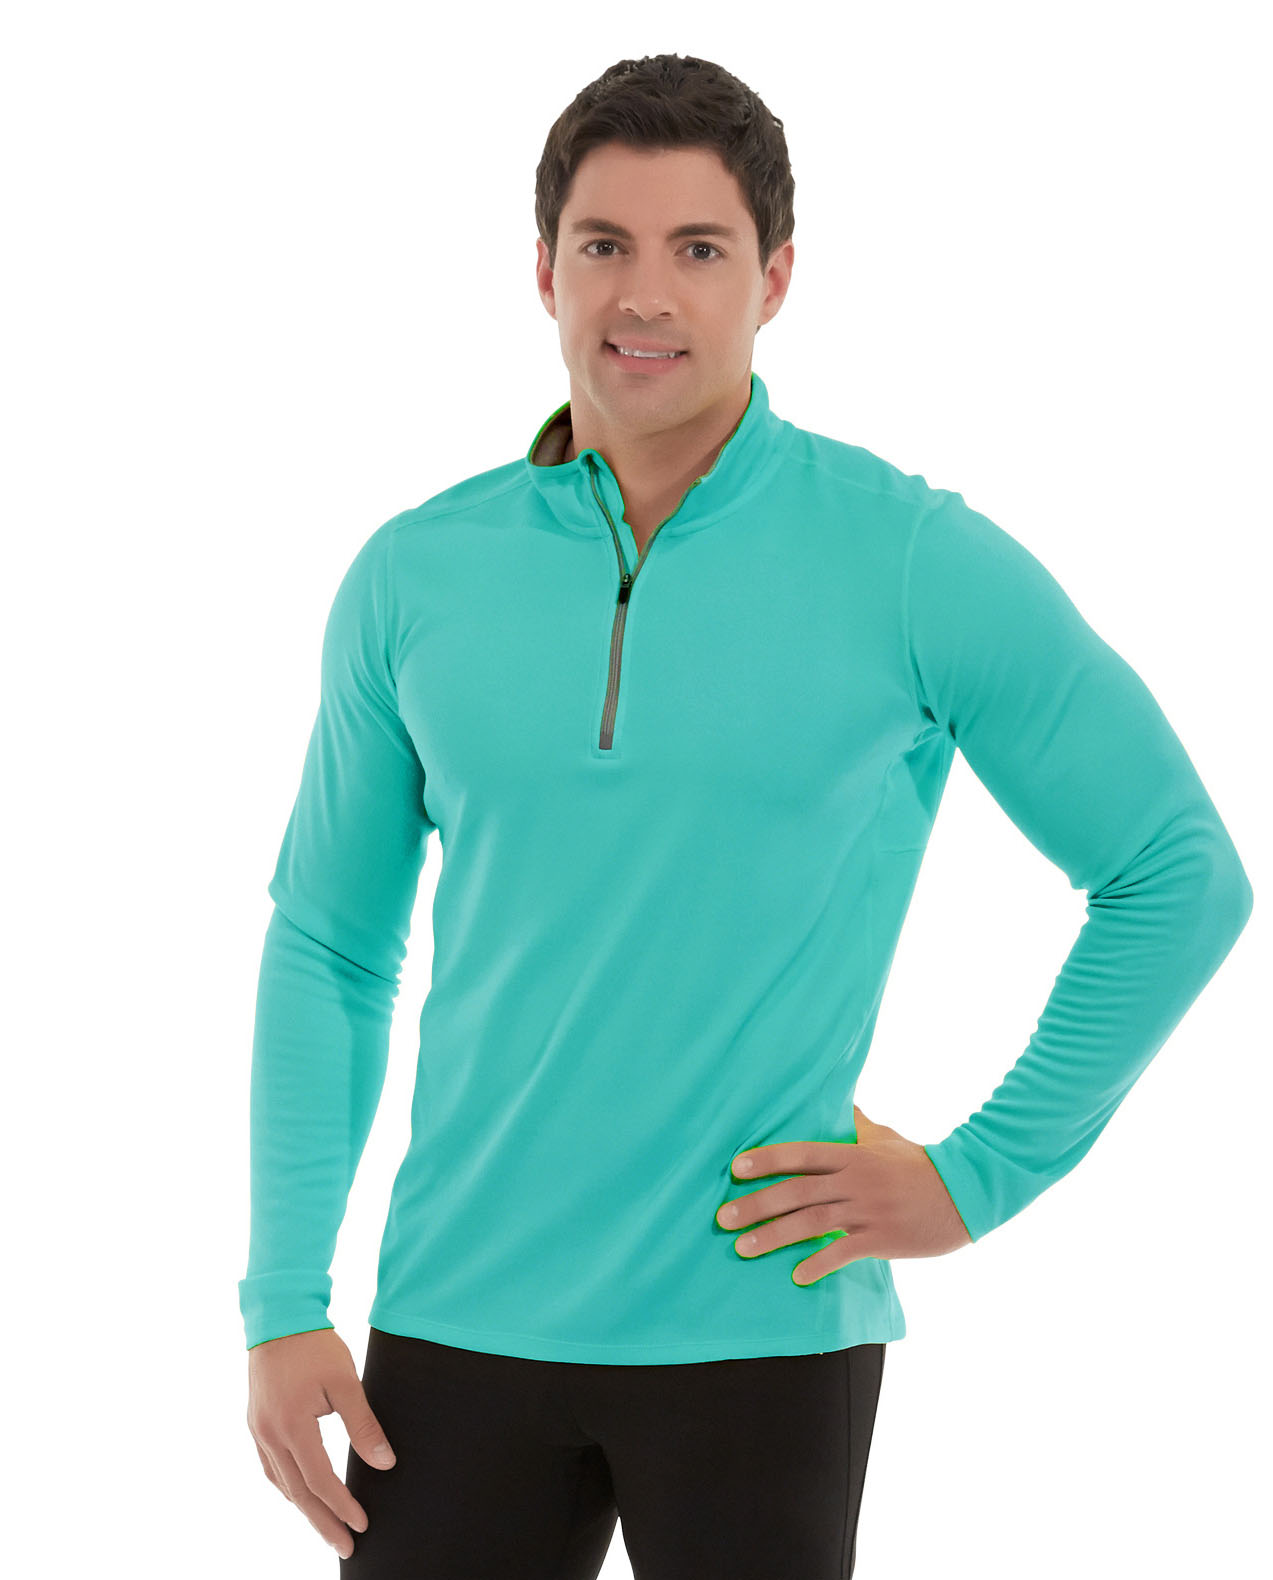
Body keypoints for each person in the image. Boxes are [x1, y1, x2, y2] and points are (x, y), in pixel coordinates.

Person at [240, 52, 1254, 1579]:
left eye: (698, 249)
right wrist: (282, 1302)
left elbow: (1175, 873)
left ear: (774, 278)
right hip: (455, 1318)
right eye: (604, 244)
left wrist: (976, 1177)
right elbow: (329, 947)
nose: (643, 295)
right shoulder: (414, 577)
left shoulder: (907, 559)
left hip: (757, 1330)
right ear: (543, 269)